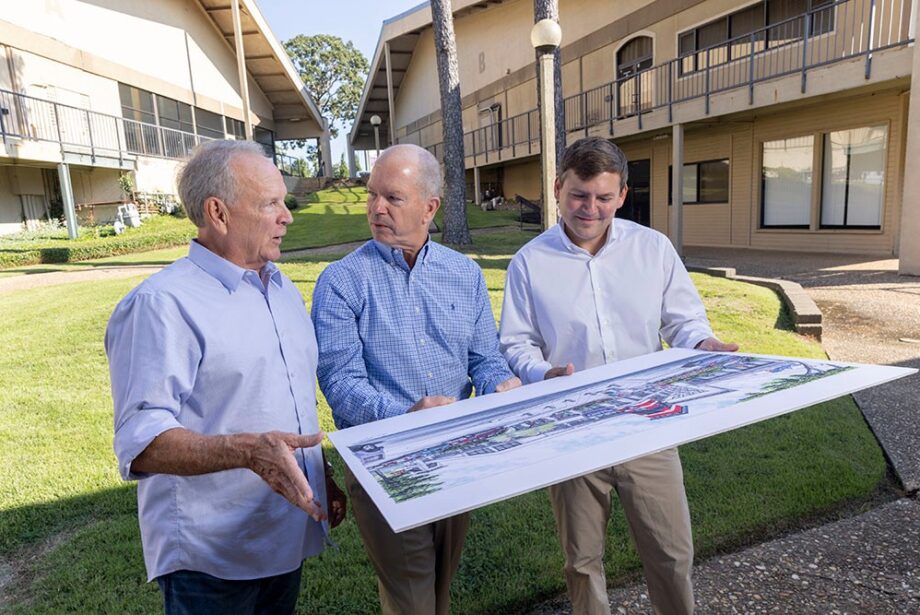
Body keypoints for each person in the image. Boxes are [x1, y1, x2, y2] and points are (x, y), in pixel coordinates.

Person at [499, 137, 738, 615]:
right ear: (557, 188)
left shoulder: (653, 249)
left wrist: (702, 344)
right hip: (572, 428)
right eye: (578, 195)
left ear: (623, 194)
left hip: (647, 423)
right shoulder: (529, 262)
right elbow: (516, 342)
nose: (590, 209)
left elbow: (683, 322)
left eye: (604, 197)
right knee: (582, 562)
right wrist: (543, 372)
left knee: (672, 553)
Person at [106, 140, 346, 615]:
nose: (287, 217)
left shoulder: (280, 288)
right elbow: (140, 440)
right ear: (218, 213)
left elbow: (284, 395)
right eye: (270, 204)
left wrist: (321, 475)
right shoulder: (162, 304)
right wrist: (247, 452)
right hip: (212, 558)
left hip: (284, 535)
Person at [312, 143, 520, 615]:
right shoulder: (341, 282)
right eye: (372, 195)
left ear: (430, 208)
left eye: (393, 197)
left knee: (438, 588)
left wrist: (501, 385)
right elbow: (340, 384)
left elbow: (485, 359)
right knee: (413, 599)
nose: (376, 208)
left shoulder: (464, 274)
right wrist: (406, 415)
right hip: (383, 462)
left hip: (455, 455)